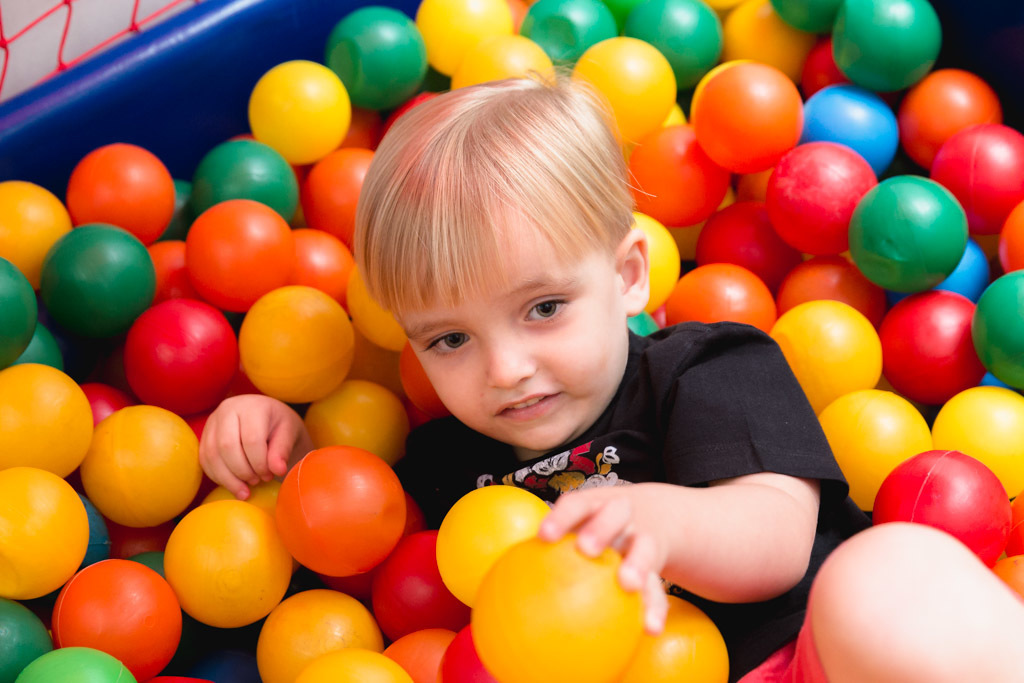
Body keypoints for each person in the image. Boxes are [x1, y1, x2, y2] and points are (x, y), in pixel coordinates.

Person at [200, 74, 1024, 682]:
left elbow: (777, 540)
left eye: (544, 308)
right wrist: (291, 451)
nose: (506, 369)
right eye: (450, 339)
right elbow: (355, 545)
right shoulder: (447, 463)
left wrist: (659, 519)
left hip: (799, 661)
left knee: (889, 570)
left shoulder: (705, 367)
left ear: (629, 276)